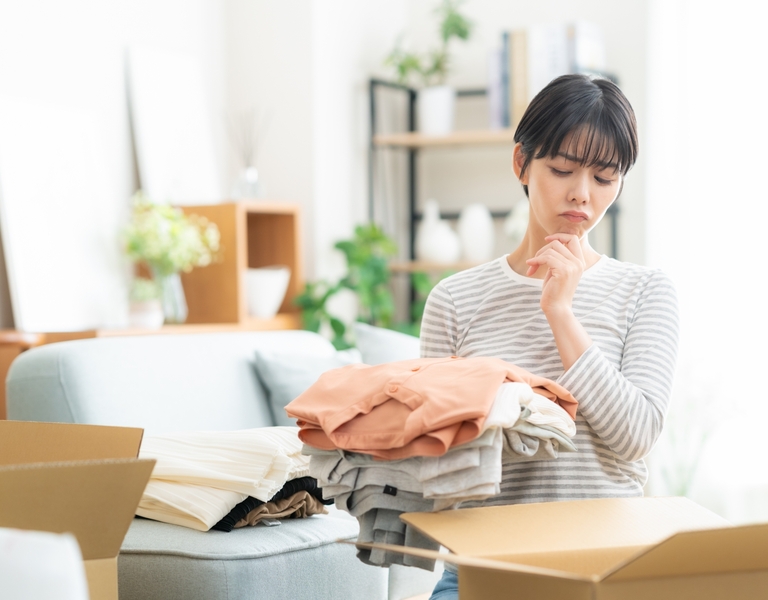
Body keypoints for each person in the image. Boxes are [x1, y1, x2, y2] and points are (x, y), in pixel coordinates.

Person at [421, 73, 679, 599]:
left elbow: (637, 437)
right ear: (521, 163)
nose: (582, 195)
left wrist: (561, 312)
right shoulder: (454, 300)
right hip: (483, 569)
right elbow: (434, 467)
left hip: (609, 569)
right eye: (562, 169)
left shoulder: (646, 291)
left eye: (605, 178)